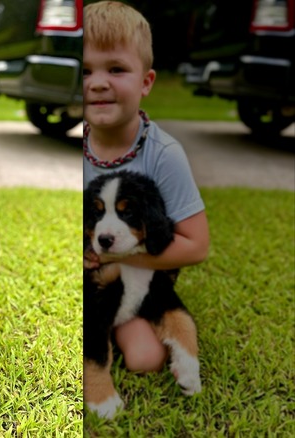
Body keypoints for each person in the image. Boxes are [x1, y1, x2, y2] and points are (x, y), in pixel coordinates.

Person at [82, 1, 210, 372]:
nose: (98, 82)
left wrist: (116, 257)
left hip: (134, 274)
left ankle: (114, 325)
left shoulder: (164, 154)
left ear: (146, 82)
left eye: (116, 69)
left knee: (146, 358)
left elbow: (196, 245)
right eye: (85, 71)